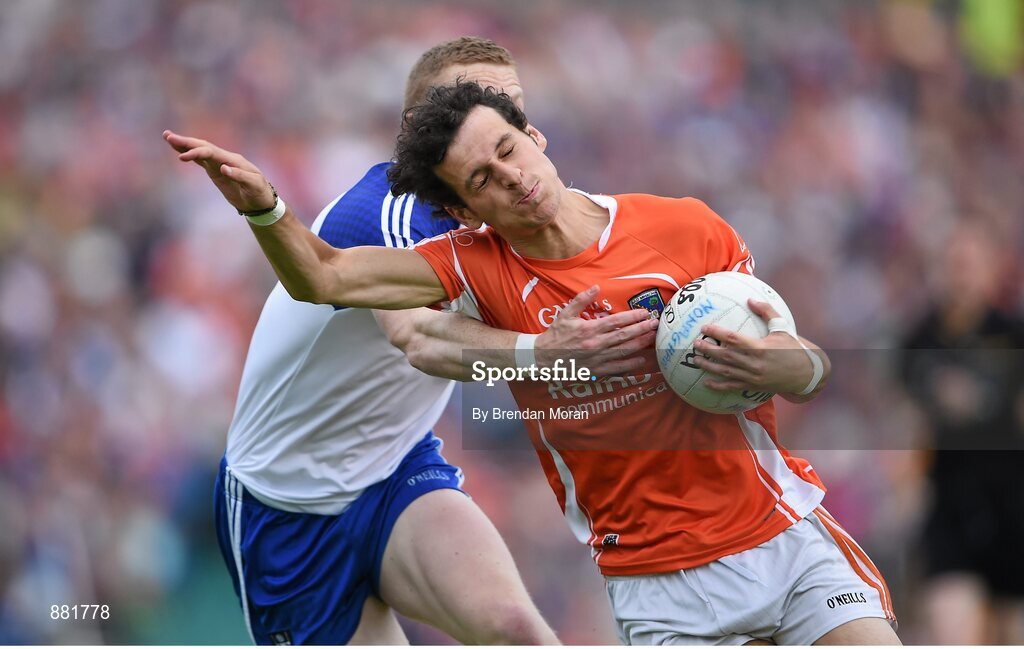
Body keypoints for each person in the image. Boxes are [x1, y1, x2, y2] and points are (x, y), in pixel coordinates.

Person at [165, 81, 900, 645]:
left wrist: (785, 370)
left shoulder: (684, 225)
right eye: (481, 178)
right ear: (465, 209)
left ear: (536, 136)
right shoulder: (474, 270)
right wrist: (265, 208)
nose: (509, 177)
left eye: (508, 151)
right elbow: (325, 278)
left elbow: (809, 366)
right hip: (663, 587)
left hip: (785, 535)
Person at [201, 38, 655, 645]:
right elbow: (418, 337)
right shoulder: (390, 214)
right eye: (467, 102)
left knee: (515, 629)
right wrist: (547, 358)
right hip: (287, 505)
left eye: (509, 109)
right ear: (422, 127)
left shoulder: (512, 208)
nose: (492, 123)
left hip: (395, 469)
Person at [899, 223, 1024, 645]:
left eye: (971, 265)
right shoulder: (919, 340)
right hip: (952, 506)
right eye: (954, 265)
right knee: (953, 630)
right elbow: (912, 425)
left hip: (1012, 504)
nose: (962, 275)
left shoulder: (1012, 334)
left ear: (991, 271)